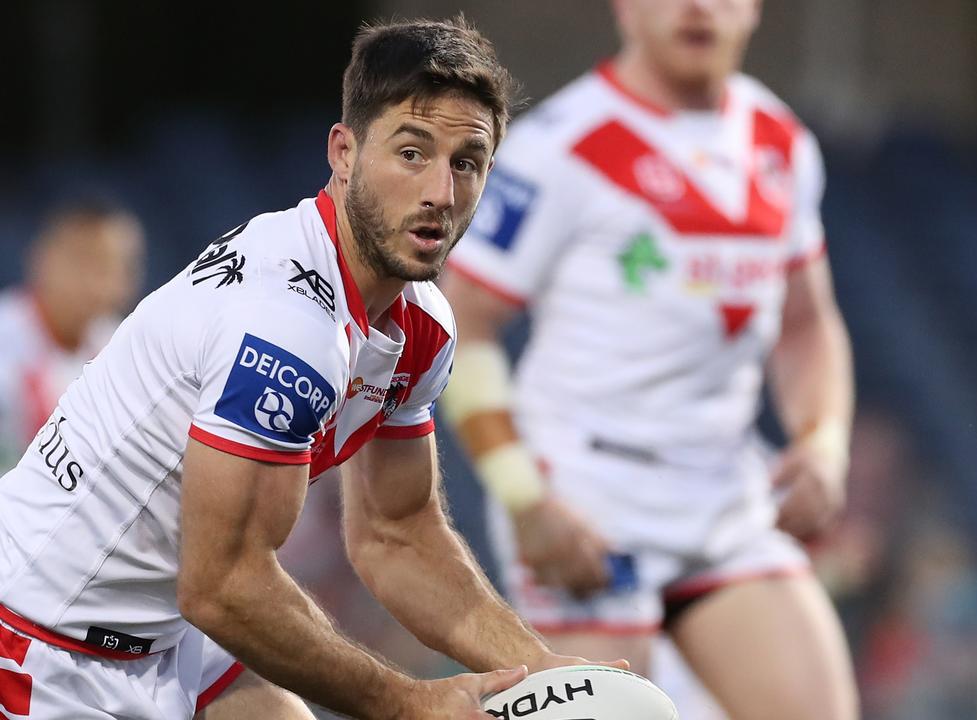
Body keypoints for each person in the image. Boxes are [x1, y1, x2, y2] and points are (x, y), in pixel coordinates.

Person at [0, 18, 620, 720]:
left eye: (467, 162)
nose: (440, 193)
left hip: (168, 633)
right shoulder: (285, 324)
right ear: (344, 152)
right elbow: (224, 586)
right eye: (412, 152)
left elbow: (396, 532)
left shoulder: (419, 326)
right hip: (37, 637)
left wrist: (539, 672)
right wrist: (407, 702)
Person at [438, 1, 858, 718]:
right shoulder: (562, 146)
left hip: (726, 494)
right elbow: (461, 323)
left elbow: (807, 323)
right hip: (588, 497)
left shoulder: (779, 139)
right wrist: (524, 496)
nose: (697, 8)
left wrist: (823, 443)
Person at [0, 200, 144, 471]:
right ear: (42, 259)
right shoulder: (6, 340)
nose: (97, 284)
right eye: (85, 262)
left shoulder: (120, 346)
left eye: (115, 268)